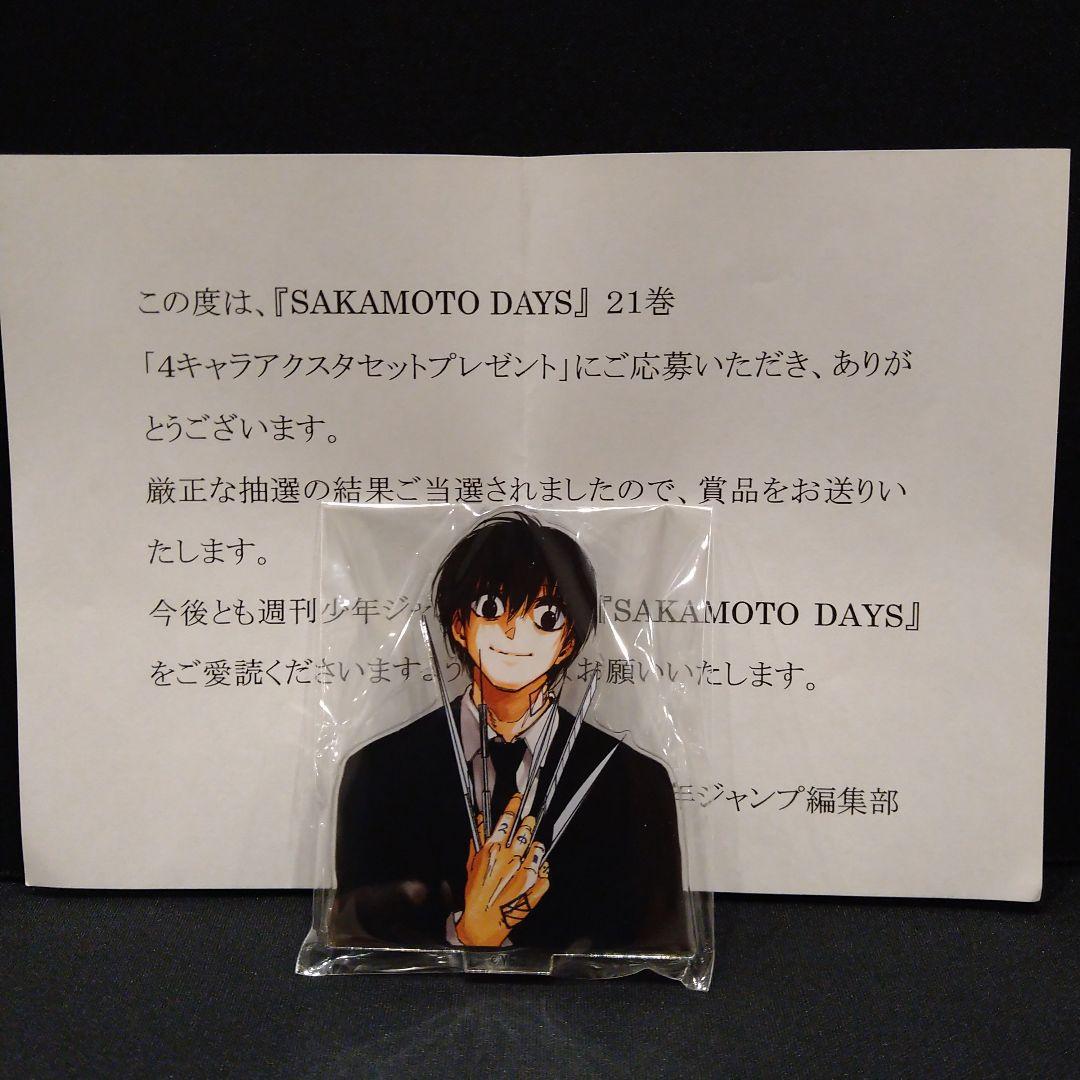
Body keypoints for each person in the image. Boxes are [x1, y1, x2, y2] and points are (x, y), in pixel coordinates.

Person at [329, 511, 690, 955]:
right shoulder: (378, 771)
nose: (515, 633)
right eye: (491, 609)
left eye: (546, 617)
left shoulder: (636, 782)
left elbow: (652, 942)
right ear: (458, 624)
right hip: (425, 996)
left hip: (579, 999)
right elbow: (360, 937)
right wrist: (468, 935)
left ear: (569, 641)